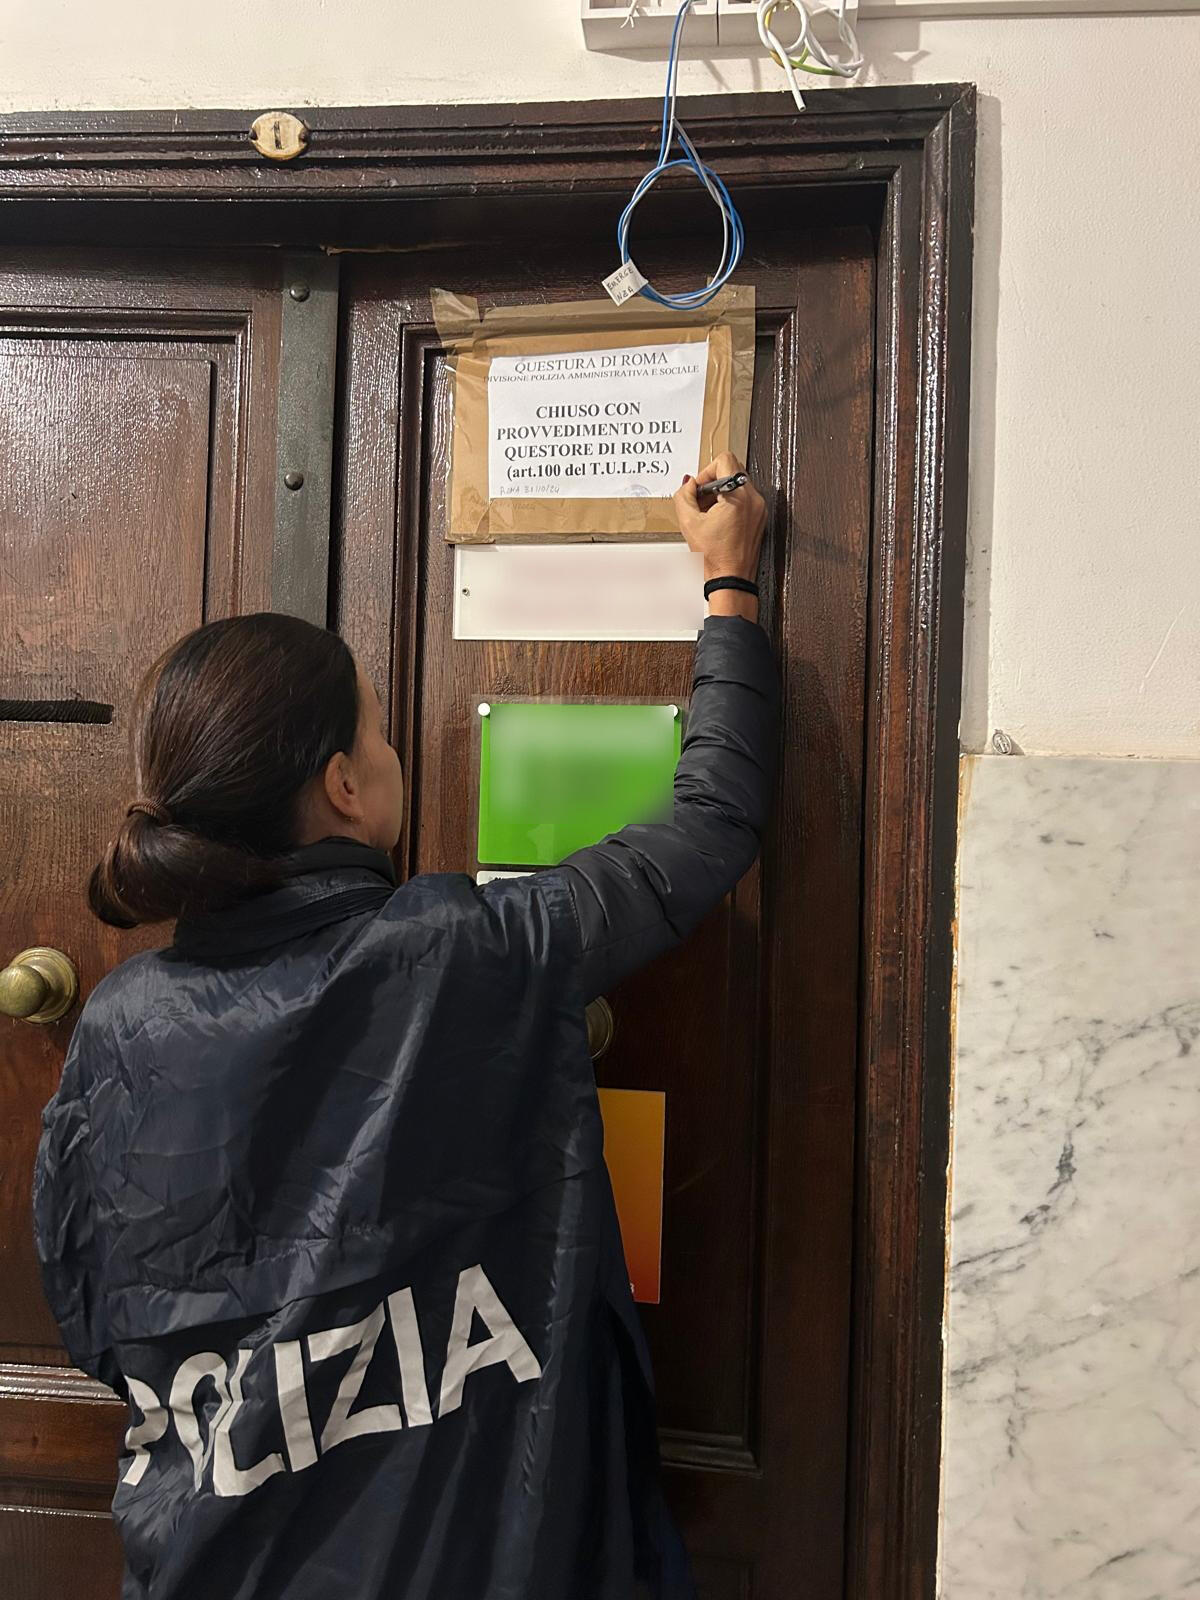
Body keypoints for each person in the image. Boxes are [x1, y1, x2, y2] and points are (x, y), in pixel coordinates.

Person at [32, 454, 778, 1600]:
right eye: (378, 734)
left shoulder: (120, 1021)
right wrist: (728, 586)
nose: (388, 754)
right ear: (342, 785)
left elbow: (92, 1316)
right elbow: (709, 820)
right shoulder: (466, 951)